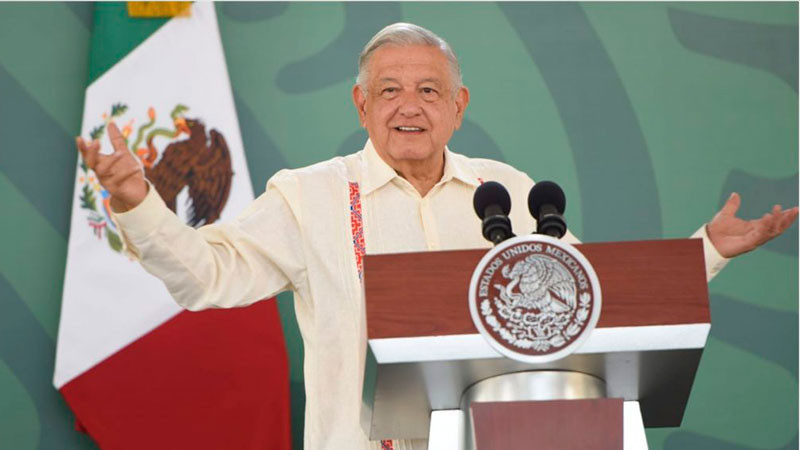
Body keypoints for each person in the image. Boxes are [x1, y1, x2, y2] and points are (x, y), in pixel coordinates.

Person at [75, 23, 797, 450]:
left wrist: (706, 250)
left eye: (428, 90)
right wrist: (139, 203)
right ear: (361, 105)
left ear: (458, 106)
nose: (409, 106)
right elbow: (206, 276)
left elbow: (591, 305)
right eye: (389, 90)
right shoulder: (310, 196)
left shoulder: (507, 192)